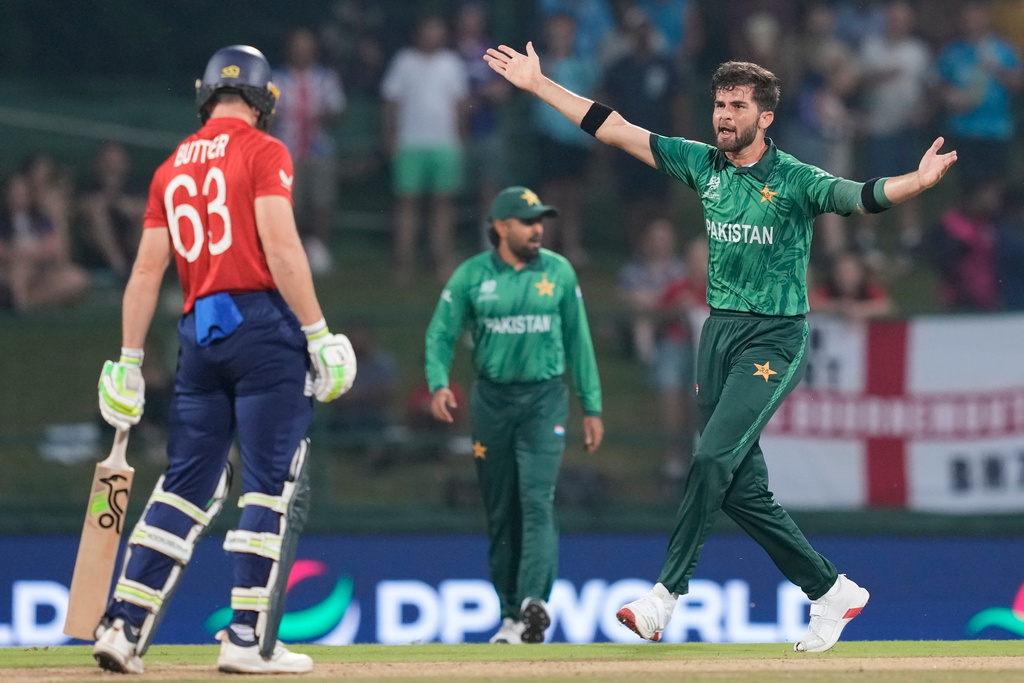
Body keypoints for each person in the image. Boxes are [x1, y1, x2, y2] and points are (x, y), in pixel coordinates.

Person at [483, 46, 955, 651]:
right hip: (718, 335)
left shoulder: (795, 179)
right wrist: (540, 85)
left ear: (766, 118)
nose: (724, 116)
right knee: (739, 488)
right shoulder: (703, 165)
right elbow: (615, 128)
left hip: (774, 338)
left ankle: (664, 596)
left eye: (737, 106)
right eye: (719, 105)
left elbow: (862, 195)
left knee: (709, 460)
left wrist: (917, 181)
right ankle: (830, 590)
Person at [91, 45, 356, 675]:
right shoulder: (266, 152)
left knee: (187, 484)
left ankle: (122, 625)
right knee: (270, 484)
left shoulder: (170, 168)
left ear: (204, 93)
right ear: (265, 99)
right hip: (262, 329)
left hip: (198, 335)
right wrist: (318, 331)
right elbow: (281, 246)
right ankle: (246, 638)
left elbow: (145, 273)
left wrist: (128, 360)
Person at [425, 185, 604, 645]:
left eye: (540, 220)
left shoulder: (559, 271)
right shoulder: (472, 276)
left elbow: (579, 340)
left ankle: (533, 603)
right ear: (502, 227)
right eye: (527, 221)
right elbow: (440, 333)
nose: (538, 229)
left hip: (544, 400)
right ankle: (511, 616)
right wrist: (438, 382)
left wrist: (592, 406)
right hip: (491, 403)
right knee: (501, 509)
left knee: (537, 498)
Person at [381, 15, 470, 283]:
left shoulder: (452, 63)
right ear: (419, 32)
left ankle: (442, 261)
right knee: (407, 203)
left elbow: (460, 104)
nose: (432, 35)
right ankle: (404, 263)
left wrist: (460, 139)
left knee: (443, 205)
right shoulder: (403, 61)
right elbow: (392, 101)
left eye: (437, 30)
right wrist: (390, 136)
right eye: (428, 29)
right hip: (409, 143)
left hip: (445, 144)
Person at [271, 27, 347, 275]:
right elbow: (267, 114)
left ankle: (318, 250)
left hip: (319, 148)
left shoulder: (326, 78)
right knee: (288, 203)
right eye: (297, 47)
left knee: (321, 202)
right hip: (286, 149)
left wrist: (319, 117)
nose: (302, 52)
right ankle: (287, 251)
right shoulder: (276, 79)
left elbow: (337, 110)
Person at [937, 1, 1021, 191]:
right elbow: (940, 87)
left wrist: (998, 68)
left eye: (975, 16)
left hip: (996, 130)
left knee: (993, 189)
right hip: (963, 131)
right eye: (967, 17)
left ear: (985, 18)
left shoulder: (1002, 49)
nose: (971, 21)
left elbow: (1018, 84)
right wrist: (951, 98)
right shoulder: (952, 52)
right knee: (969, 188)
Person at [0, 173, 90, 311]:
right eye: (14, 194)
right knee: (19, 269)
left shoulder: (41, 220)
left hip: (40, 270)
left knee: (77, 279)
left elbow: (52, 248)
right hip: (10, 270)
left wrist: (31, 254)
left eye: (22, 194)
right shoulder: (3, 221)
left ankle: (24, 303)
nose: (18, 198)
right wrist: (18, 254)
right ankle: (19, 299)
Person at [77, 141, 147, 279]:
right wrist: (112, 203)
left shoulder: (134, 188)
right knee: (97, 213)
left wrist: (130, 208)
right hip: (96, 247)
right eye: (108, 161)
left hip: (129, 240)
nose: (112, 167)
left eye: (116, 162)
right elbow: (82, 206)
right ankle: (121, 269)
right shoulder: (88, 186)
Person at [808, 251, 893, 322]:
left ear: (860, 273)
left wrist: (861, 310)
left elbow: (885, 306)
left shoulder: (868, 288)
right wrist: (838, 307)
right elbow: (810, 303)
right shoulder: (828, 288)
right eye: (841, 272)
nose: (845, 277)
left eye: (850, 272)